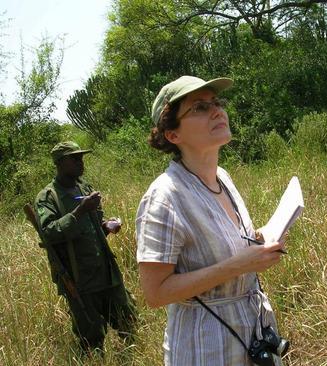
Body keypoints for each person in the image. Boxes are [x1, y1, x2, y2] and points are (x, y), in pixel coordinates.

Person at [136, 76, 287, 365]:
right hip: (205, 347)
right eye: (200, 108)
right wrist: (239, 265)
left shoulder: (223, 178)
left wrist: (262, 239)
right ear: (173, 135)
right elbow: (154, 293)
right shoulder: (164, 197)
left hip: (252, 332)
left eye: (217, 103)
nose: (217, 111)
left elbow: (232, 243)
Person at [34, 141, 137, 353]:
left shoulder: (85, 188)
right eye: (75, 159)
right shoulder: (48, 197)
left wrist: (107, 226)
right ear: (61, 163)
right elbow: (49, 233)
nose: (81, 163)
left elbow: (93, 228)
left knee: (129, 323)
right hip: (80, 279)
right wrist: (80, 211)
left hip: (107, 273)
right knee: (91, 341)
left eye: (81, 158)